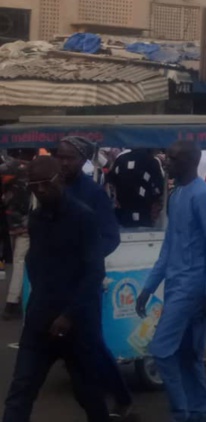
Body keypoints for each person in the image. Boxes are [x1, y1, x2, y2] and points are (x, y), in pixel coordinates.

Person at [3, 157, 108, 421]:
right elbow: (34, 262)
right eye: (33, 185)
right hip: (40, 322)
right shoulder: (36, 219)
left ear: (59, 179)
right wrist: (39, 302)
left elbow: (94, 272)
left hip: (76, 325)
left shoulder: (84, 218)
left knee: (88, 393)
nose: (39, 190)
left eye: (44, 184)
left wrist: (69, 315)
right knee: (21, 390)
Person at [136, 141, 206, 422]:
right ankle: (200, 412)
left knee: (161, 350)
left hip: (192, 287)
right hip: (175, 285)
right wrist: (149, 287)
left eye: (172, 159)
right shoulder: (176, 196)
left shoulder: (203, 196)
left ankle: (182, 412)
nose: (166, 162)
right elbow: (168, 246)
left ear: (189, 162)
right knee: (188, 355)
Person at [56, 137, 131, 417]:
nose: (63, 163)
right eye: (60, 156)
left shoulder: (93, 193)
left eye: (69, 158)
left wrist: (88, 258)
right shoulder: (54, 187)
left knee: (92, 344)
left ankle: (119, 398)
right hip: (56, 283)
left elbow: (111, 236)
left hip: (85, 283)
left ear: (83, 160)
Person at [108, 148, 165, 228]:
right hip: (144, 215)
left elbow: (111, 182)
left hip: (122, 215)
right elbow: (159, 188)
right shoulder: (152, 161)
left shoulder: (120, 159)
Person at [1, 159, 29, 321]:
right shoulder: (24, 183)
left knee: (19, 262)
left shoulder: (10, 184)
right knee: (20, 263)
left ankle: (14, 301)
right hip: (26, 228)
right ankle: (13, 301)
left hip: (15, 228)